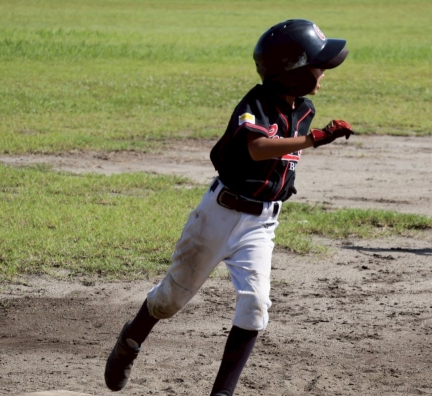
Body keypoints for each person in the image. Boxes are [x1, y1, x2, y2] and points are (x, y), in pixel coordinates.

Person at [104, 19, 354, 396]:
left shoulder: (305, 109)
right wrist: (313, 140)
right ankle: (130, 340)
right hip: (218, 215)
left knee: (255, 306)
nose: (324, 73)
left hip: (262, 223)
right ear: (292, 72)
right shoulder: (254, 103)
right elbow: (256, 148)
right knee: (170, 300)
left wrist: (310, 138)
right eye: (318, 66)